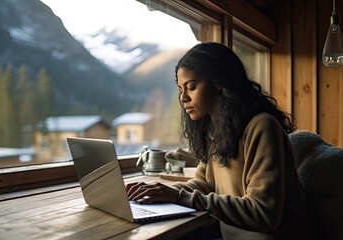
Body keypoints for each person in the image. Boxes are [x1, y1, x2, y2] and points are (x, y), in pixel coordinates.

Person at [126, 42, 314, 239]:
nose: (183, 98)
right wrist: (160, 193)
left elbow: (263, 214)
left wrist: (180, 197)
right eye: (181, 89)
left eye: (191, 87)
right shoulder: (216, 131)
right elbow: (203, 183)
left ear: (218, 82)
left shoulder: (263, 127)